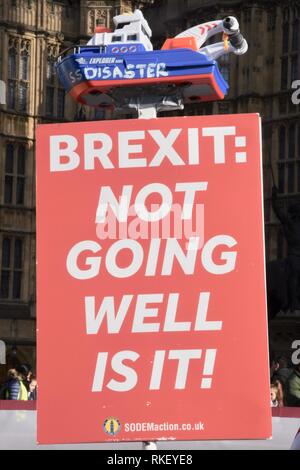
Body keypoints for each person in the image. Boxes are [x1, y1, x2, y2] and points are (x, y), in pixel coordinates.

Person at [272, 186, 300, 311]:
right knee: (294, 274)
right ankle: (293, 302)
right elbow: (278, 211)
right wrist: (274, 198)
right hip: (294, 257)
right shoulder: (291, 224)